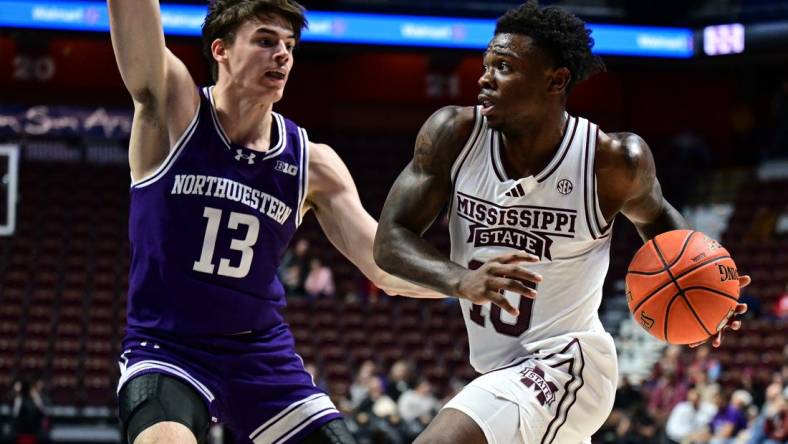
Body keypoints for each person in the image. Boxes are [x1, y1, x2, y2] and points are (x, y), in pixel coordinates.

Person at [373, 2, 751, 442]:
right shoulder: (453, 136)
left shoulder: (611, 161)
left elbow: (667, 233)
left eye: (504, 67)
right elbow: (390, 239)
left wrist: (709, 301)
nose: (484, 78)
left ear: (556, 81)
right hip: (501, 367)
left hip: (570, 362)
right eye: (486, 64)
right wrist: (460, 280)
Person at [107, 1, 436, 443]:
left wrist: (470, 282)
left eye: (289, 45)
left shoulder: (312, 161)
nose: (282, 54)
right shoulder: (174, 109)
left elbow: (384, 267)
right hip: (168, 348)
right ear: (220, 50)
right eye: (265, 41)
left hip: (260, 356)